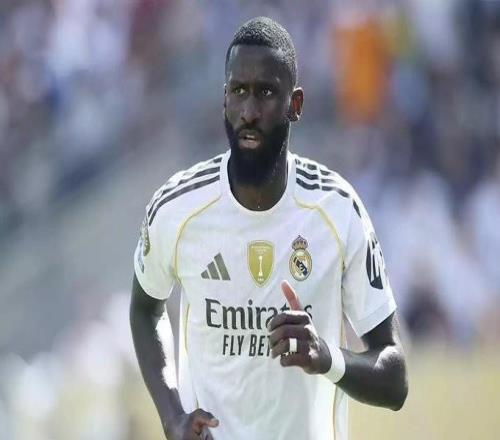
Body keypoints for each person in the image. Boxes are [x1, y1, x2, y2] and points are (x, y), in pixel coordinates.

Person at [130, 16, 408, 440]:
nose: (249, 111)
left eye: (266, 92)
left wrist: (326, 357)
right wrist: (172, 415)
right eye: (239, 91)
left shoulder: (337, 210)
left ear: (295, 105)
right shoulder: (177, 208)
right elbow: (144, 308)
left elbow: (395, 378)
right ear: (224, 99)